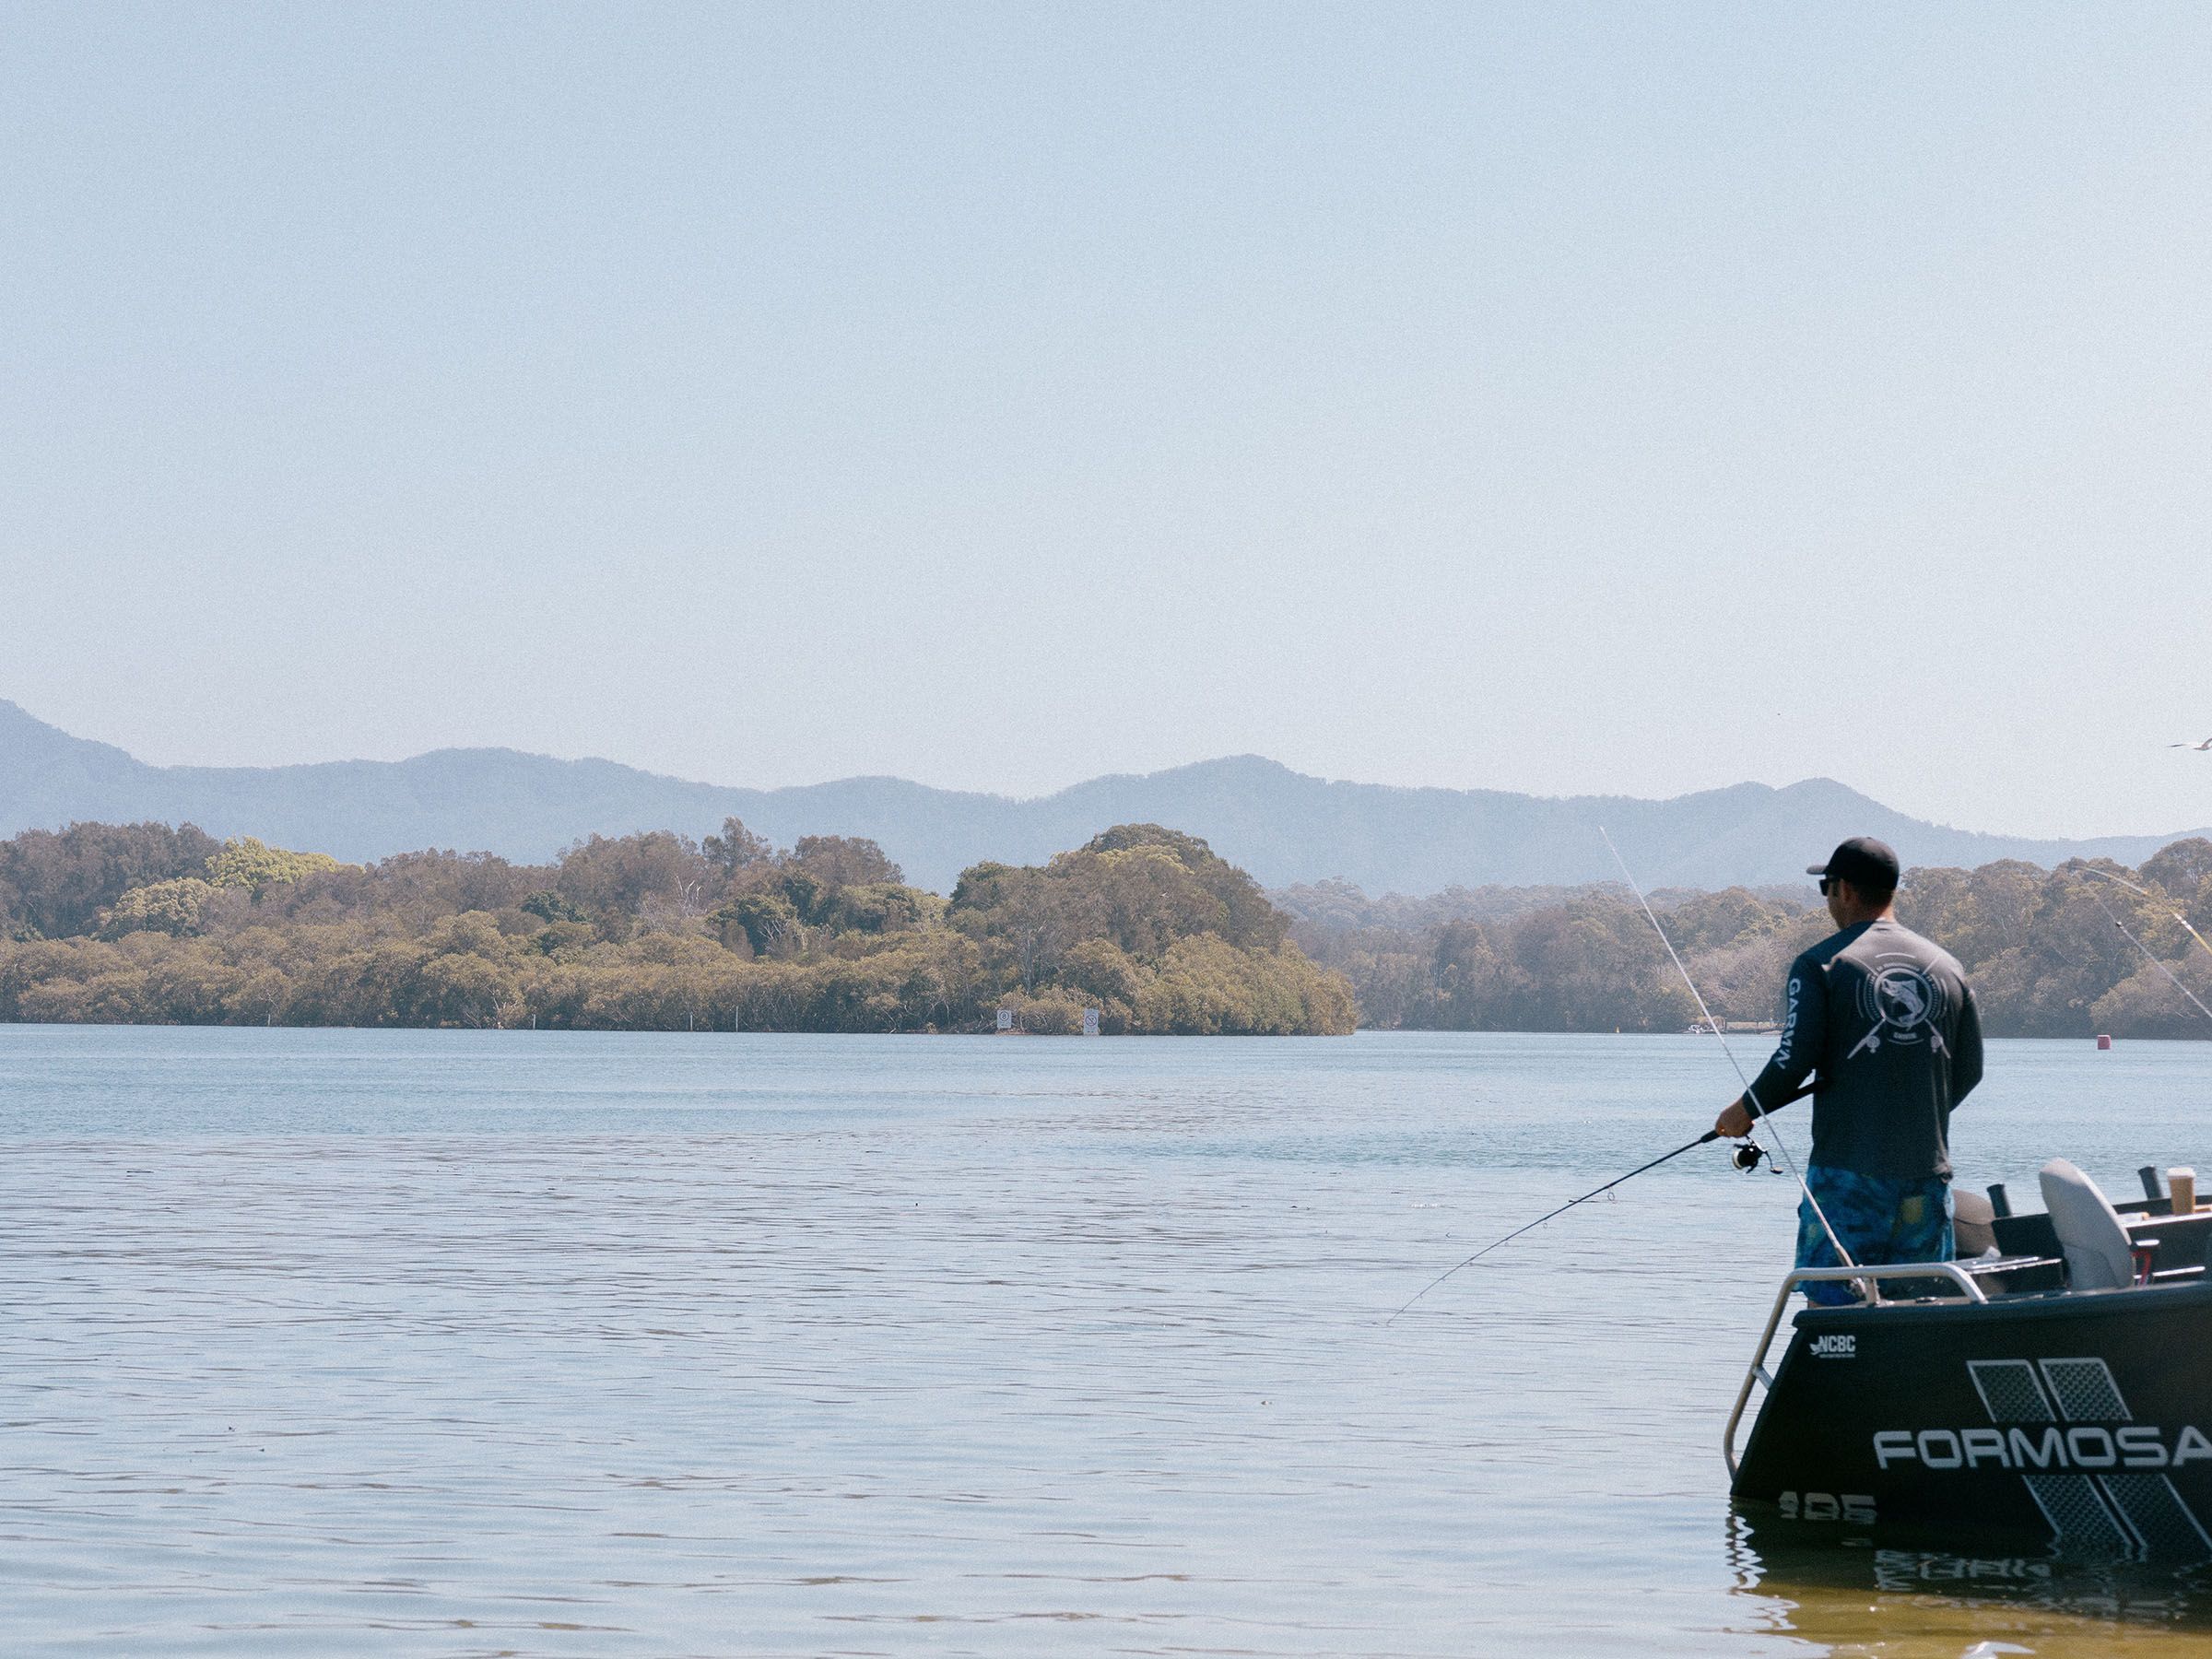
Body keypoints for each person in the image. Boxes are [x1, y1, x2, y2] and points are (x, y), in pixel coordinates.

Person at [1712, 836, 1983, 1304]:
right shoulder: (1949, 969)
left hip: (1847, 1177)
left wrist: (1744, 1111)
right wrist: (1913, 1115)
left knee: (1833, 1317)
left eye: (1827, 888)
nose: (1828, 900)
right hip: (1926, 1177)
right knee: (1917, 1320)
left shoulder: (1820, 964)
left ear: (1846, 891)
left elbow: (1793, 1059)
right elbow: (1970, 1071)